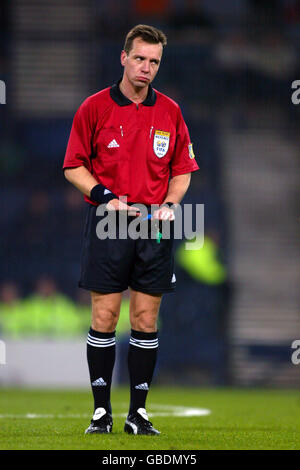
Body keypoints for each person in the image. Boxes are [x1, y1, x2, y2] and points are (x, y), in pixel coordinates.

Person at [63, 24, 199, 436]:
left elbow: (182, 170)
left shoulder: (171, 112)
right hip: (109, 222)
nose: (146, 68)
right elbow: (73, 166)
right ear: (124, 58)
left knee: (146, 318)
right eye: (139, 58)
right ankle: (101, 412)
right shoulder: (94, 107)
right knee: (105, 315)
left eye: (154, 61)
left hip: (155, 227)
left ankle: (137, 415)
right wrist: (106, 196)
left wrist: (172, 206)